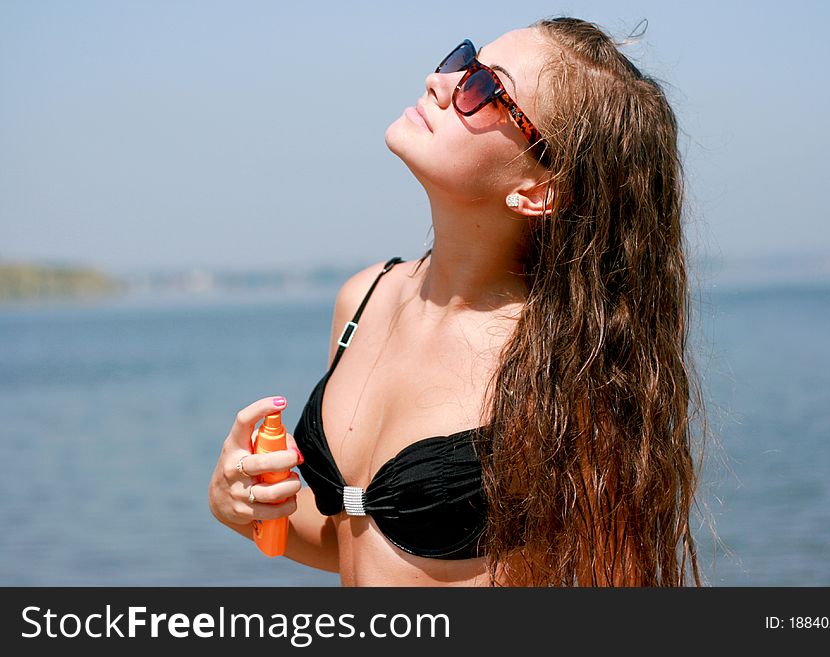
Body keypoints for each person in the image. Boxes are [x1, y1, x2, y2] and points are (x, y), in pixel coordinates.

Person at [208, 16, 707, 586]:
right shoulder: (364, 299)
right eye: (462, 61)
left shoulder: (563, 364)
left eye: (484, 89)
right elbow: (355, 540)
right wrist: (240, 505)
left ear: (537, 190)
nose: (438, 81)